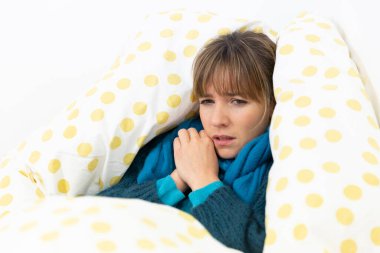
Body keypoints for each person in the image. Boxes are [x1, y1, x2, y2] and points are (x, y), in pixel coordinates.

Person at [97, 30, 276, 253]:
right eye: (207, 101)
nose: (217, 120)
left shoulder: (279, 169)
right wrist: (177, 179)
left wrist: (203, 181)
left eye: (237, 101)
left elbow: (262, 245)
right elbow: (99, 210)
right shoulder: (179, 144)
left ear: (271, 103)